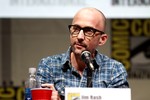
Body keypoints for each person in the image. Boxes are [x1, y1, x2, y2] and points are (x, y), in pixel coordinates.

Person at [36, 7, 129, 100]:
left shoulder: (114, 70)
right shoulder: (49, 66)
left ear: (102, 39)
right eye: (76, 29)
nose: (80, 37)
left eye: (88, 31)